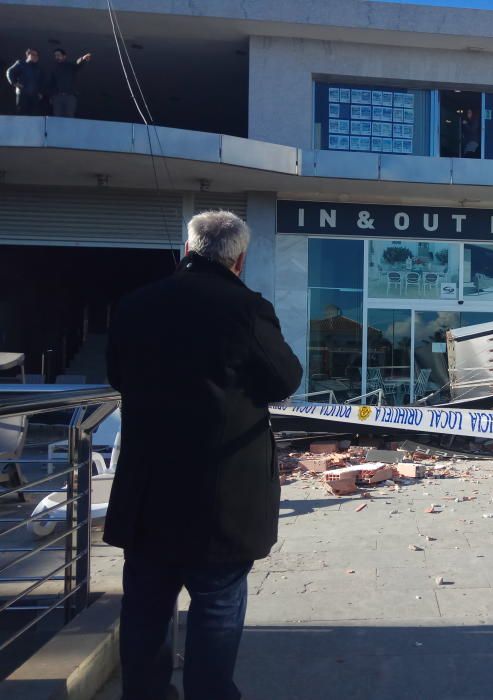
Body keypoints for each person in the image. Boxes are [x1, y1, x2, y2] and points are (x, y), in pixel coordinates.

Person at [104, 211, 303, 700]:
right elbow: (284, 380)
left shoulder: (134, 305)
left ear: (188, 250)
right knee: (216, 609)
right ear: (239, 258)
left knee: (146, 608)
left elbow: (115, 376)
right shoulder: (247, 309)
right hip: (222, 498)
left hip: (148, 493)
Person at [49, 48, 91, 117]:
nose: (56, 57)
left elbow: (77, 63)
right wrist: (51, 96)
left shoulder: (70, 66)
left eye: (58, 55)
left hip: (70, 96)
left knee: (69, 117)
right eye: (55, 55)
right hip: (57, 97)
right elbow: (51, 84)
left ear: (64, 56)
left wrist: (83, 58)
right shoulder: (54, 69)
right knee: (57, 117)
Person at [5, 48, 44, 115]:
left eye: (37, 55)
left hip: (34, 96)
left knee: (34, 115)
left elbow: (40, 81)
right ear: (27, 55)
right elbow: (9, 71)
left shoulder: (38, 68)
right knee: (22, 114)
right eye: (33, 54)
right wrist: (14, 83)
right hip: (23, 94)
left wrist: (40, 92)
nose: (35, 56)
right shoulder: (21, 63)